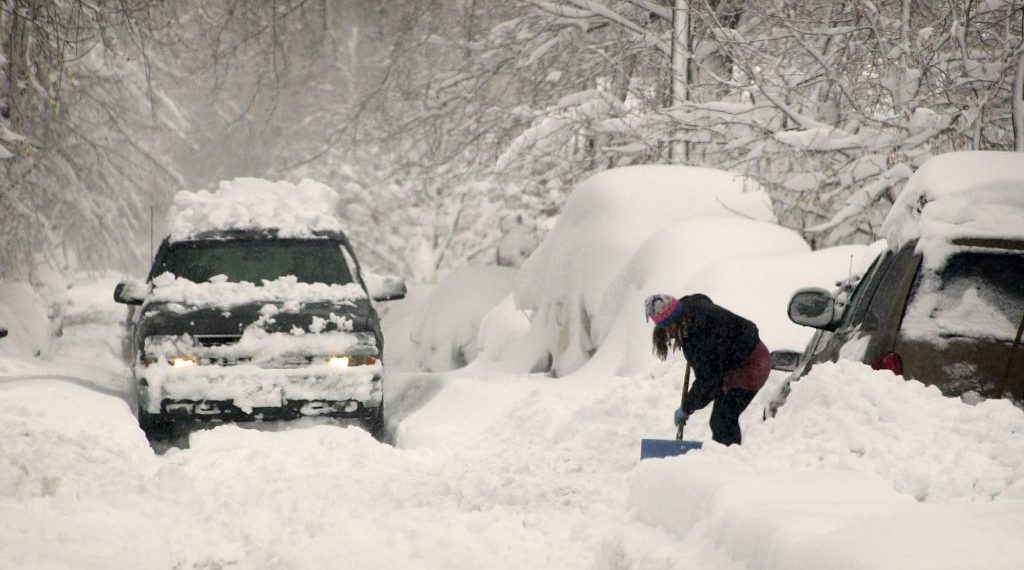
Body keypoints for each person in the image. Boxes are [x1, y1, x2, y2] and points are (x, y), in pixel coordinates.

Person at [644, 293, 770, 446]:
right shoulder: (687, 305)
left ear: (675, 321)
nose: (668, 333)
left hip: (752, 367)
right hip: (739, 359)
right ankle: (727, 457)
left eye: (668, 327)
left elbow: (709, 382)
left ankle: (728, 462)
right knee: (722, 418)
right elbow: (703, 298)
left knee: (722, 421)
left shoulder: (699, 339)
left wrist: (686, 408)